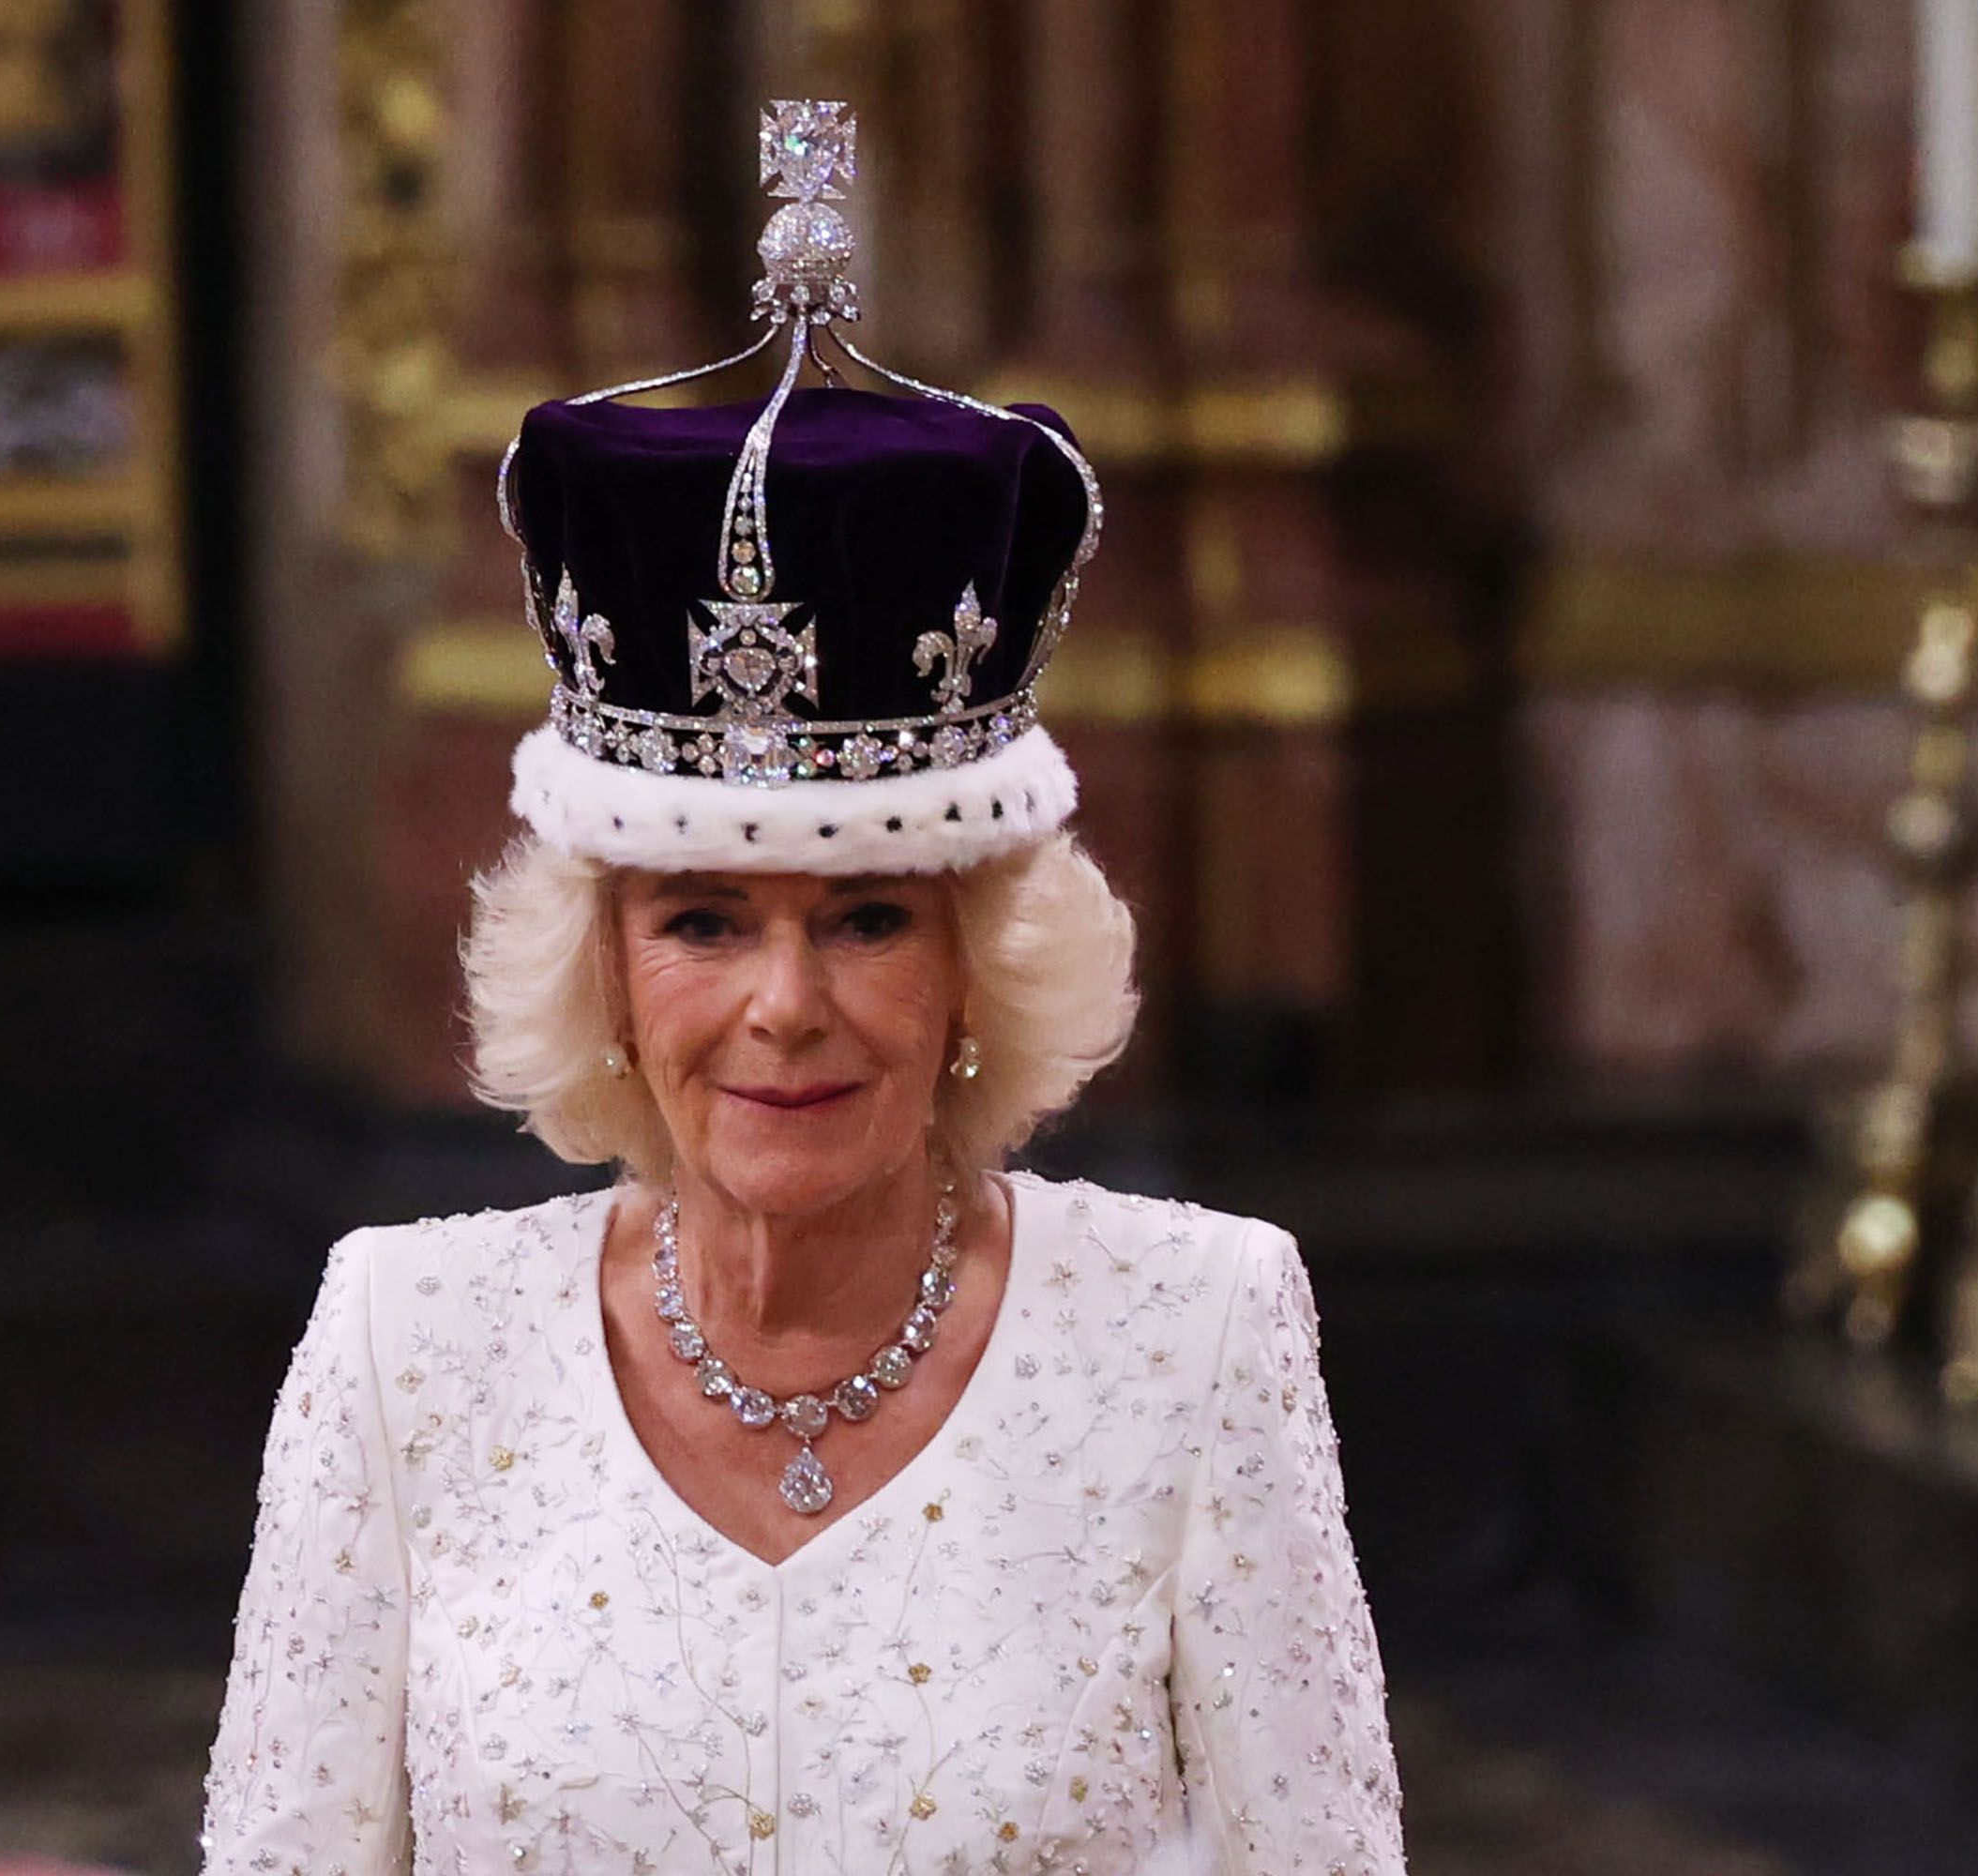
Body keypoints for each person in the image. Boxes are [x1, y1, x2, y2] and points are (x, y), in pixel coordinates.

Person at [200, 100, 1405, 1876]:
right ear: (603, 967)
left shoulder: (1198, 1336)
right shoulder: (404, 1348)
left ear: (981, 963)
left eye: (865, 919)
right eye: (701, 920)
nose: (784, 1004)